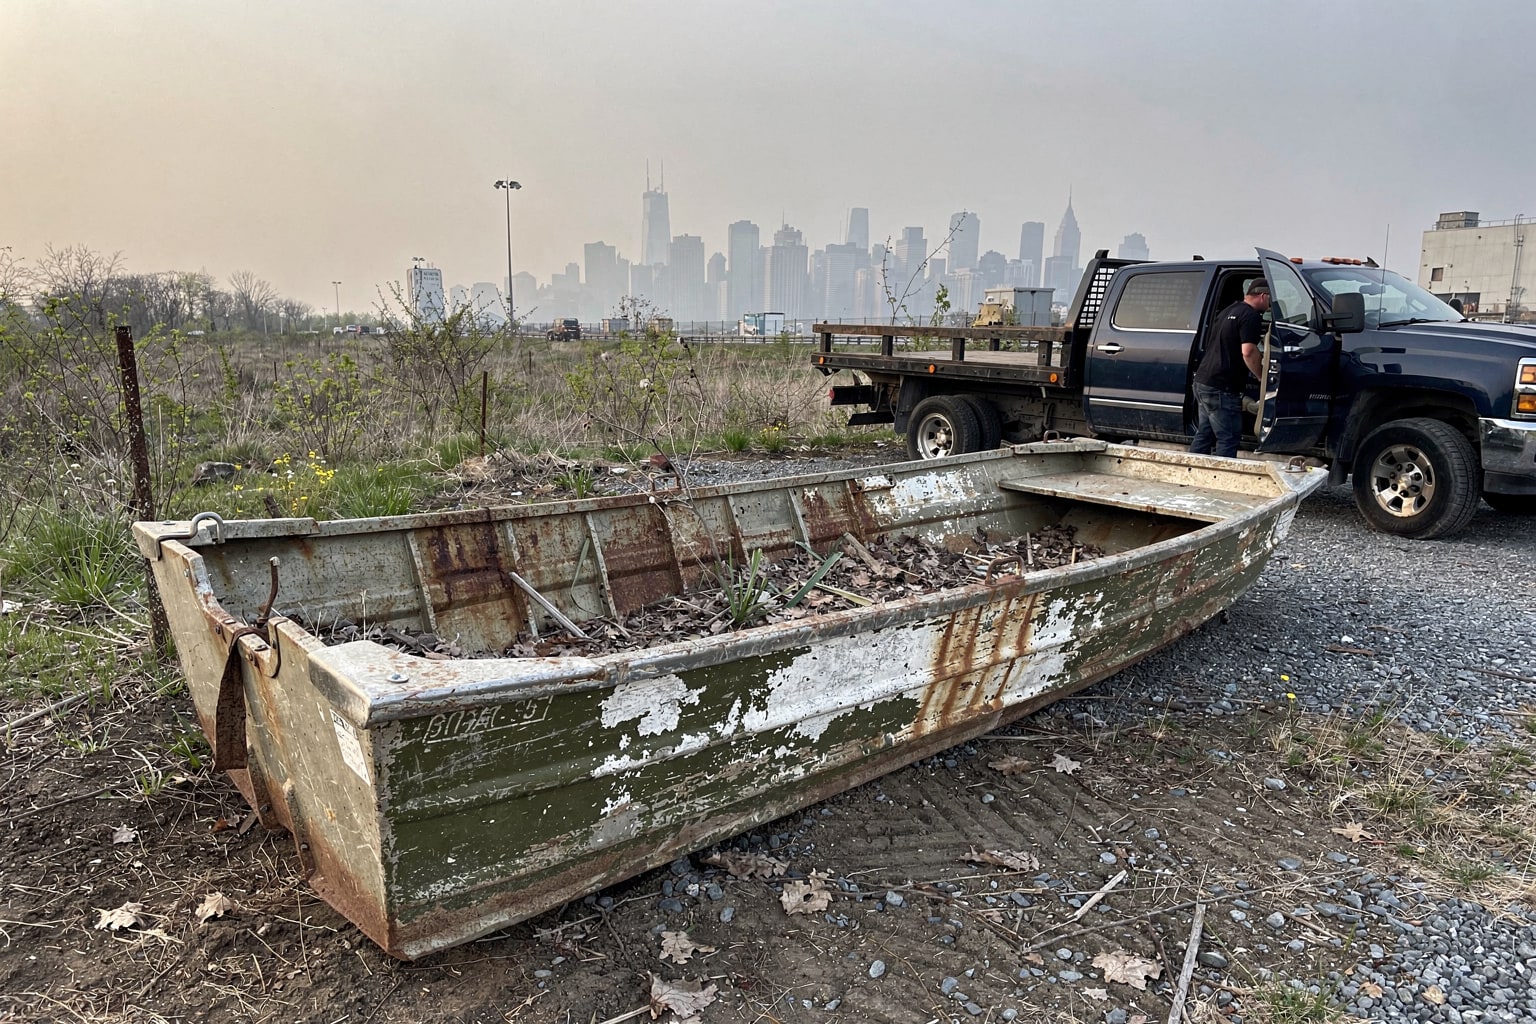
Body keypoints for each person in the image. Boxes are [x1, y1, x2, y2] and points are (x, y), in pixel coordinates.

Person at [1189, 279, 1270, 458]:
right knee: (1228, 437)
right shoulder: (1251, 316)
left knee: (1205, 433)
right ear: (1263, 296)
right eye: (1270, 300)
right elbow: (1248, 351)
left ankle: (1190, 471)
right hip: (1222, 386)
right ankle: (1221, 480)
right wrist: (1260, 375)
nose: (1270, 306)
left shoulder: (1230, 310)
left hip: (1203, 381)